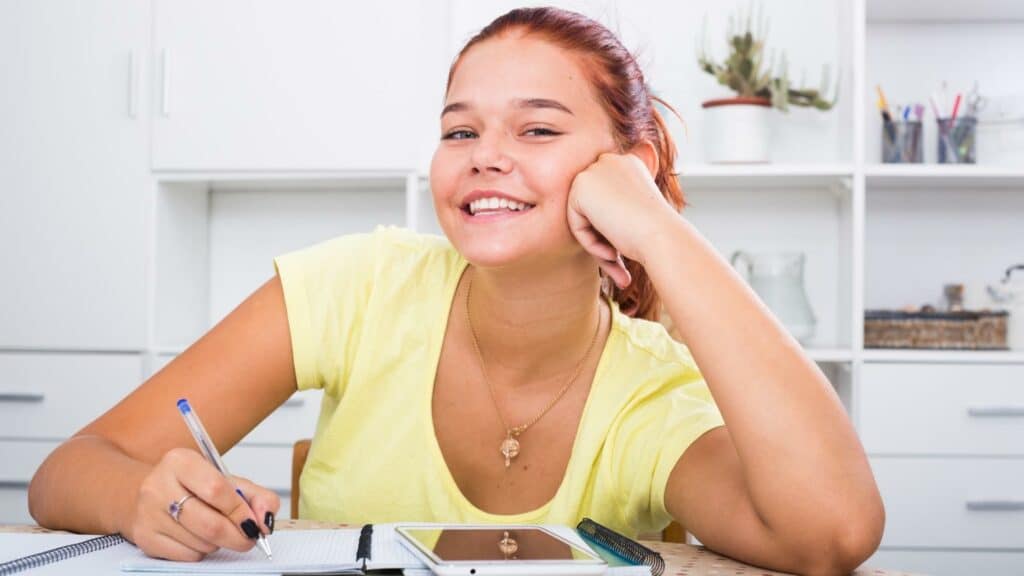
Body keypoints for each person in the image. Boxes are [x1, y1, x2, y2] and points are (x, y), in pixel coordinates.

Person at [28, 7, 884, 574]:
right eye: (459, 130)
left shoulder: (655, 389)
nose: (484, 153)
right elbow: (68, 473)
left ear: (630, 166)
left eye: (538, 129)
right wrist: (143, 498)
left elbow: (834, 533)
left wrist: (655, 224)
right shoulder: (358, 286)